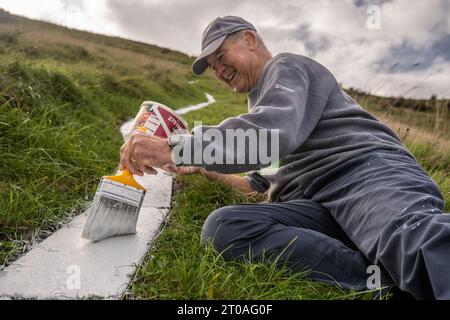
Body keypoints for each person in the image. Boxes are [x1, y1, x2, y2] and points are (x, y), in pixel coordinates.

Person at [119, 16, 449, 299]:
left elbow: (269, 136)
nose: (219, 70)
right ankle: (382, 282)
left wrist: (175, 147)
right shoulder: (261, 105)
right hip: (323, 204)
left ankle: (407, 267)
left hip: (366, 177)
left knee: (414, 241)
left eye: (221, 56)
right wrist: (201, 166)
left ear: (249, 40)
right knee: (226, 227)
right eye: (213, 67)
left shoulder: (287, 67)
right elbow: (257, 186)